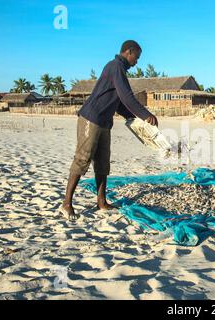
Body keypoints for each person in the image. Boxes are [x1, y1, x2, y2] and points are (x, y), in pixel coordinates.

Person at [60, 40, 158, 221]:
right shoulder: (115, 67)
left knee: (103, 163)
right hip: (91, 118)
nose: (137, 61)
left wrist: (134, 119)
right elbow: (127, 97)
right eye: (137, 56)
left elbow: (119, 103)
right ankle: (66, 203)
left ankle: (101, 201)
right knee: (83, 158)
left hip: (105, 122)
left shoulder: (119, 70)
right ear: (129, 52)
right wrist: (146, 115)